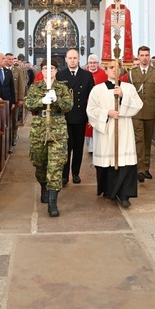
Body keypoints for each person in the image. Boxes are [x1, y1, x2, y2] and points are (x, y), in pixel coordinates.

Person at [87, 61, 143, 208]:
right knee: (108, 161)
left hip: (124, 129)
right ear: (105, 70)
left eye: (117, 68)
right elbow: (91, 110)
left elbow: (138, 105)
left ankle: (125, 194)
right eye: (111, 67)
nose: (114, 70)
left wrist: (123, 96)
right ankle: (109, 190)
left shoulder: (129, 88)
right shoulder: (97, 89)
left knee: (125, 160)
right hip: (106, 130)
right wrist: (107, 113)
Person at [25, 58, 73, 217]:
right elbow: (29, 104)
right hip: (40, 126)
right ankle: (44, 185)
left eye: (52, 68)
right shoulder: (35, 86)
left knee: (56, 164)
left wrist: (56, 100)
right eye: (46, 68)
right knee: (39, 162)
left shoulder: (62, 87)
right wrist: (41, 101)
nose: (49, 71)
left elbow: (68, 106)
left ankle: (53, 202)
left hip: (57, 126)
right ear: (41, 71)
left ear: (56, 70)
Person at [124, 46, 155, 182]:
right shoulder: (132, 73)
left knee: (148, 141)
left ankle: (146, 168)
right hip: (136, 112)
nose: (144, 58)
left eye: (147, 55)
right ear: (138, 56)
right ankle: (140, 169)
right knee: (139, 140)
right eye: (142, 55)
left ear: (149, 57)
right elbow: (128, 93)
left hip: (150, 111)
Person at [55, 48, 95, 185]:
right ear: (66, 59)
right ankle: (64, 175)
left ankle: (76, 173)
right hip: (65, 117)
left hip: (80, 116)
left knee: (78, 147)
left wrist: (92, 115)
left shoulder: (87, 75)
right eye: (70, 58)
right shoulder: (60, 75)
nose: (72, 60)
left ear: (79, 59)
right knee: (66, 146)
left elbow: (93, 97)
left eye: (75, 58)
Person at [6, 53, 26, 145]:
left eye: (12, 59)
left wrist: (21, 98)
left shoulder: (17, 70)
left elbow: (21, 84)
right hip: (5, 98)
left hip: (16, 98)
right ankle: (6, 139)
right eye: (9, 59)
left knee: (14, 119)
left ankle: (13, 137)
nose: (11, 61)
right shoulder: (2, 70)